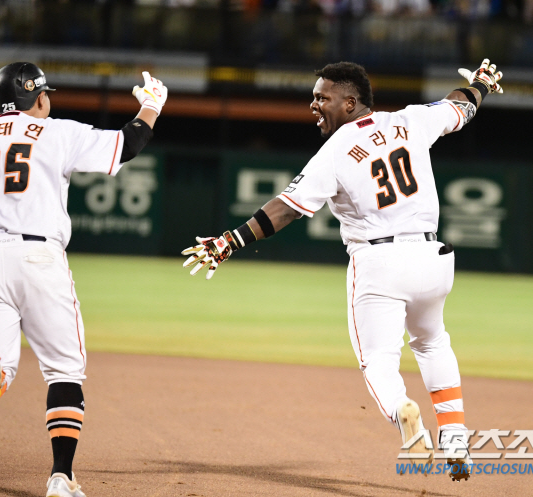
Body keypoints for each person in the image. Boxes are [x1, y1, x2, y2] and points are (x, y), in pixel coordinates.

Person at [182, 59, 503, 481]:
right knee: (433, 342)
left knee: (378, 362)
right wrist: (480, 84)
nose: (314, 105)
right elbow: (459, 106)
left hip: (380, 263)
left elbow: (283, 210)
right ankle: (456, 436)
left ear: (350, 103)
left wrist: (231, 240)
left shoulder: (334, 151)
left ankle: (404, 414)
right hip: (433, 259)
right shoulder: (411, 120)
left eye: (323, 97)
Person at [0, 62, 168, 497]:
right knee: (65, 369)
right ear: (40, 98)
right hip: (38, 258)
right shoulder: (57, 132)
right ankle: (61, 478)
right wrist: (151, 107)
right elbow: (127, 145)